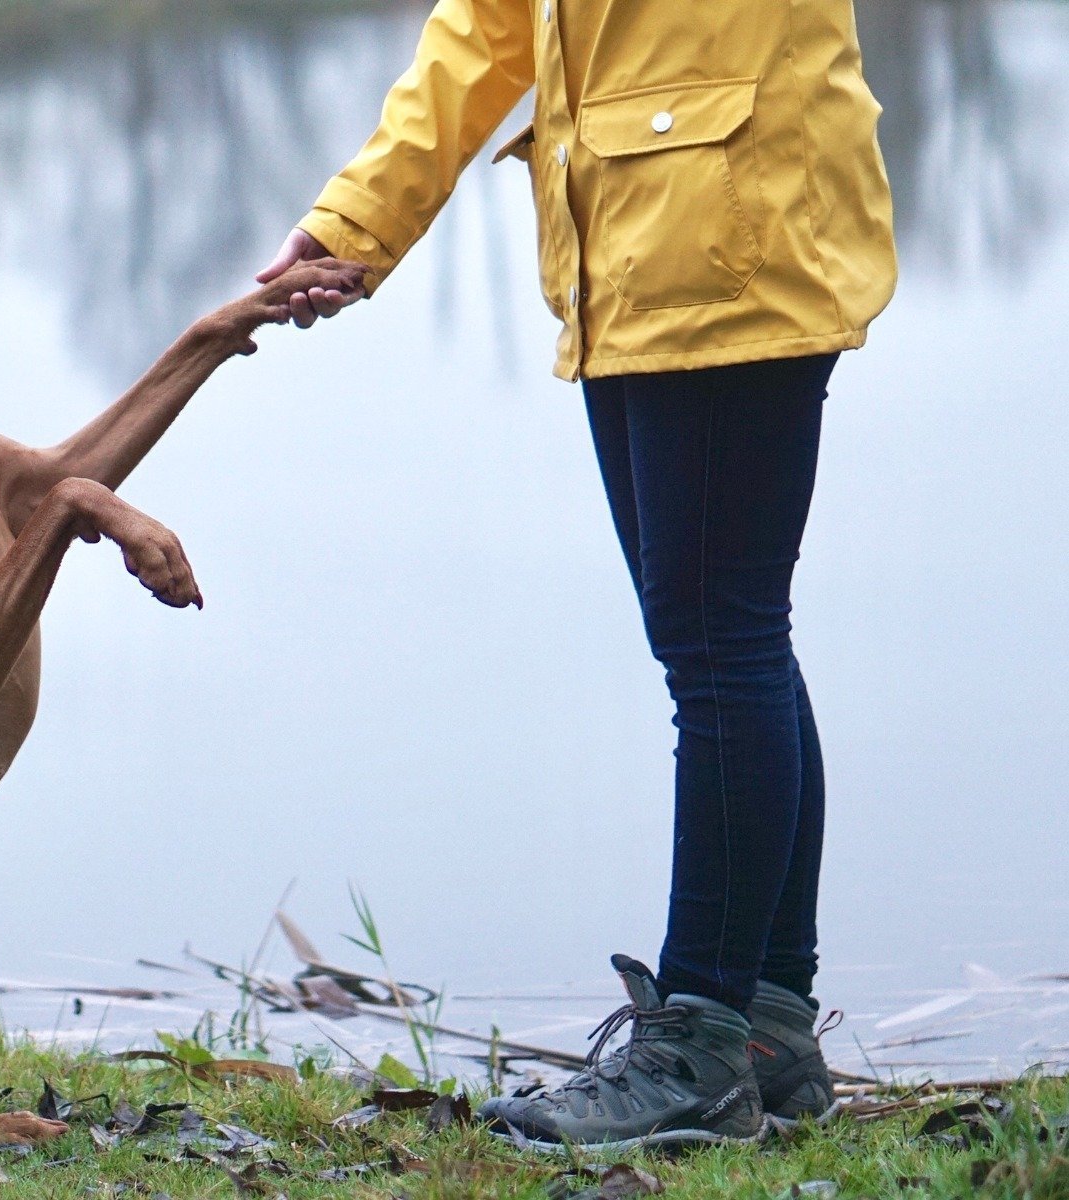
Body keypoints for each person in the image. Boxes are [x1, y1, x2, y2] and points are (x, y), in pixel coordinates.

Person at [260, 0, 896, 1149]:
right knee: (725, 636)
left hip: (727, 224)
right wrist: (363, 214)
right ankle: (761, 1026)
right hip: (638, 235)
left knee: (721, 644)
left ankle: (700, 1042)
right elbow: (489, 26)